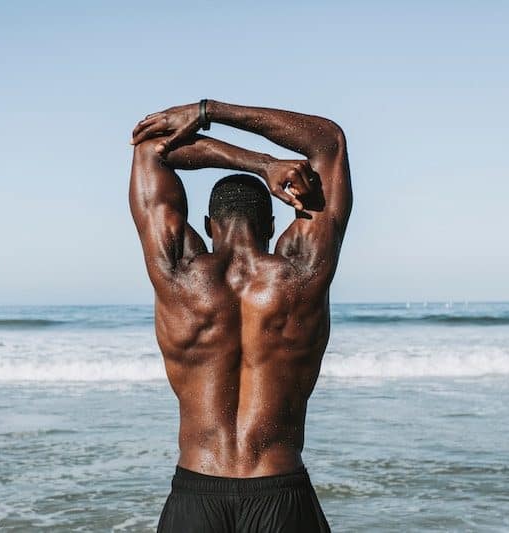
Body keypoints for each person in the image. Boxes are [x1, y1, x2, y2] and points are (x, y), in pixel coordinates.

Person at [129, 100, 352, 532]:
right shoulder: (301, 272)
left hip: (196, 491)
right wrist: (210, 110)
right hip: (280, 491)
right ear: (272, 226)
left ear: (209, 225)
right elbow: (329, 142)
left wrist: (258, 165)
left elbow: (151, 148)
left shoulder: (177, 272)